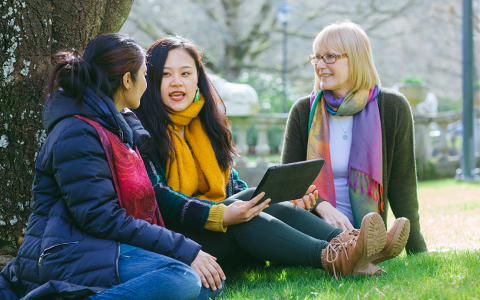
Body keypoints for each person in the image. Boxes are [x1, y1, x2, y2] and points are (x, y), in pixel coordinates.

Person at [129, 36, 407, 280]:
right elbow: (158, 197)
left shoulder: (208, 126)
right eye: (166, 74)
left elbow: (233, 186)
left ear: (198, 79)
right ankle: (334, 257)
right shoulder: (143, 131)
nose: (177, 82)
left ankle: (354, 243)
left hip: (223, 233)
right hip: (180, 242)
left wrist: (255, 201)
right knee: (250, 206)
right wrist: (220, 213)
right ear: (151, 80)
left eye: (186, 73)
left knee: (258, 199)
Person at [0, 33, 224, 300]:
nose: (146, 84)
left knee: (207, 284)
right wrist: (183, 248)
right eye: (144, 75)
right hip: (67, 253)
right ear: (127, 81)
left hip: (107, 247)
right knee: (182, 279)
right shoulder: (77, 131)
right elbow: (101, 217)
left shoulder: (119, 129)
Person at [281, 20, 428, 256]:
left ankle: (362, 244)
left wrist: (417, 249)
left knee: (366, 237)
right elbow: (289, 184)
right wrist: (322, 205)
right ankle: (348, 248)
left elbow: (403, 185)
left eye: (329, 57)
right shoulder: (303, 110)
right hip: (314, 225)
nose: (319, 65)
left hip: (369, 226)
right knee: (329, 238)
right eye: (316, 57)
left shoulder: (391, 107)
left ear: (357, 58)